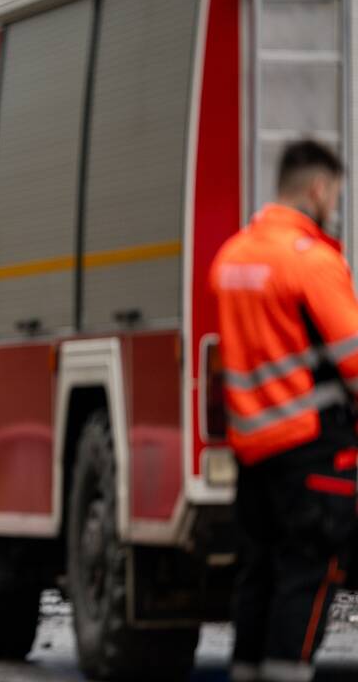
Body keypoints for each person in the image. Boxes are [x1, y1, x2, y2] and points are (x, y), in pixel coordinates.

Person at [210, 140, 358, 682]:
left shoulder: (232, 258)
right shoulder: (313, 262)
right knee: (306, 576)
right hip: (311, 454)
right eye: (335, 194)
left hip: (255, 452)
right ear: (319, 188)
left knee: (259, 575)